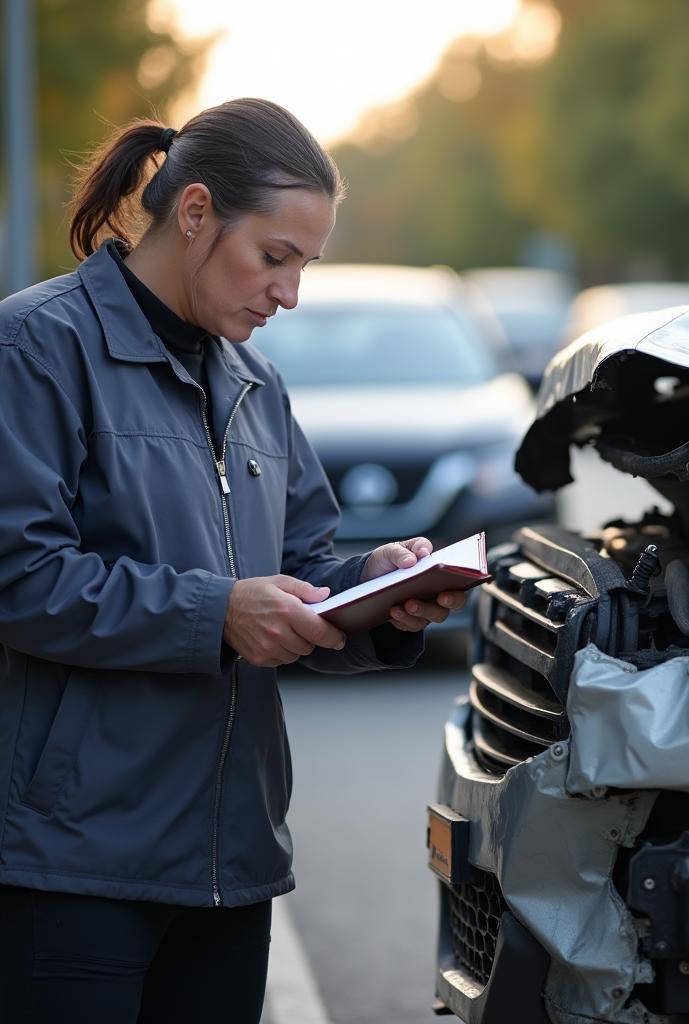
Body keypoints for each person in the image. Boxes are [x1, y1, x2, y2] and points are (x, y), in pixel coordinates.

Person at [0, 97, 465, 1023]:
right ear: (197, 211)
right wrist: (214, 611)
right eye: (275, 256)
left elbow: (298, 568)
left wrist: (378, 593)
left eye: (306, 265)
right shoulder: (35, 347)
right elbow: (19, 575)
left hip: (230, 864)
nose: (288, 293)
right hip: (71, 866)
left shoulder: (256, 383)